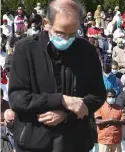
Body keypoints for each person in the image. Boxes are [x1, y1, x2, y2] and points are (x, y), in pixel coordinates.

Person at [8, 0, 107, 151]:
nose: (66, 39)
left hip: (75, 142)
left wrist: (66, 115)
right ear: (47, 23)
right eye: (60, 33)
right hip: (34, 142)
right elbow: (18, 98)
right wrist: (61, 100)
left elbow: (97, 95)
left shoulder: (87, 52)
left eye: (72, 34)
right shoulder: (25, 50)